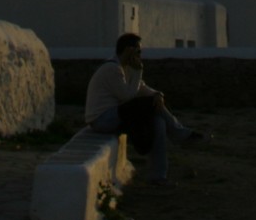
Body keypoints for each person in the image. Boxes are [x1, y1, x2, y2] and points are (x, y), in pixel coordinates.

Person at [84, 33, 204, 184]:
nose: (140, 55)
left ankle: (158, 175)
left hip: (116, 116)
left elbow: (141, 88)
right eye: (138, 51)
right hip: (102, 119)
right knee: (148, 105)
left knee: (158, 122)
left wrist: (158, 95)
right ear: (129, 50)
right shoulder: (112, 68)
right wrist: (138, 71)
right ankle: (179, 133)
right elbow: (127, 96)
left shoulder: (125, 68)